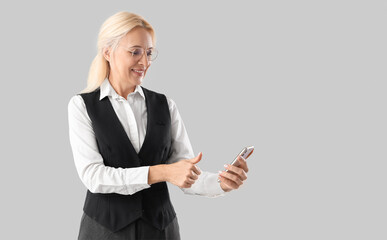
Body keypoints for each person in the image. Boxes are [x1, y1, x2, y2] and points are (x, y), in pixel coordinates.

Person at [67, 11, 249, 240]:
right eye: (135, 52)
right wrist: (161, 172)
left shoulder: (165, 105)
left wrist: (222, 183)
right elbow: (94, 176)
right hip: (104, 231)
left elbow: (186, 175)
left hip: (161, 231)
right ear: (107, 52)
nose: (145, 62)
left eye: (149, 53)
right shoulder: (82, 106)